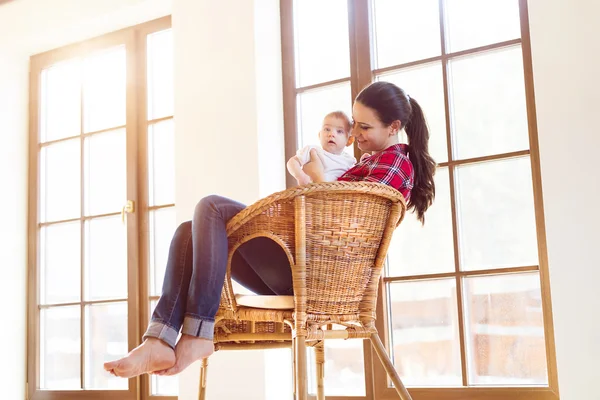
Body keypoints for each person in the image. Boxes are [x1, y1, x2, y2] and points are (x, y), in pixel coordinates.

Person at [104, 81, 436, 378]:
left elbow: (343, 216)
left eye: (364, 127)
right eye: (355, 125)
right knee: (187, 232)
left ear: (394, 127)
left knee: (212, 207)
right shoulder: (367, 161)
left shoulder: (394, 162)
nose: (355, 135)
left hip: (316, 275)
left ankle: (196, 334)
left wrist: (317, 174)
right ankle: (159, 338)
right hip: (300, 268)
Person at [287, 111, 355, 185]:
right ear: (319, 135)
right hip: (312, 193)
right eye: (327, 129)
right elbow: (292, 162)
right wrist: (301, 176)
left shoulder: (349, 160)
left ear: (349, 140)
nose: (331, 134)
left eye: (339, 131)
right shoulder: (313, 151)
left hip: (337, 195)